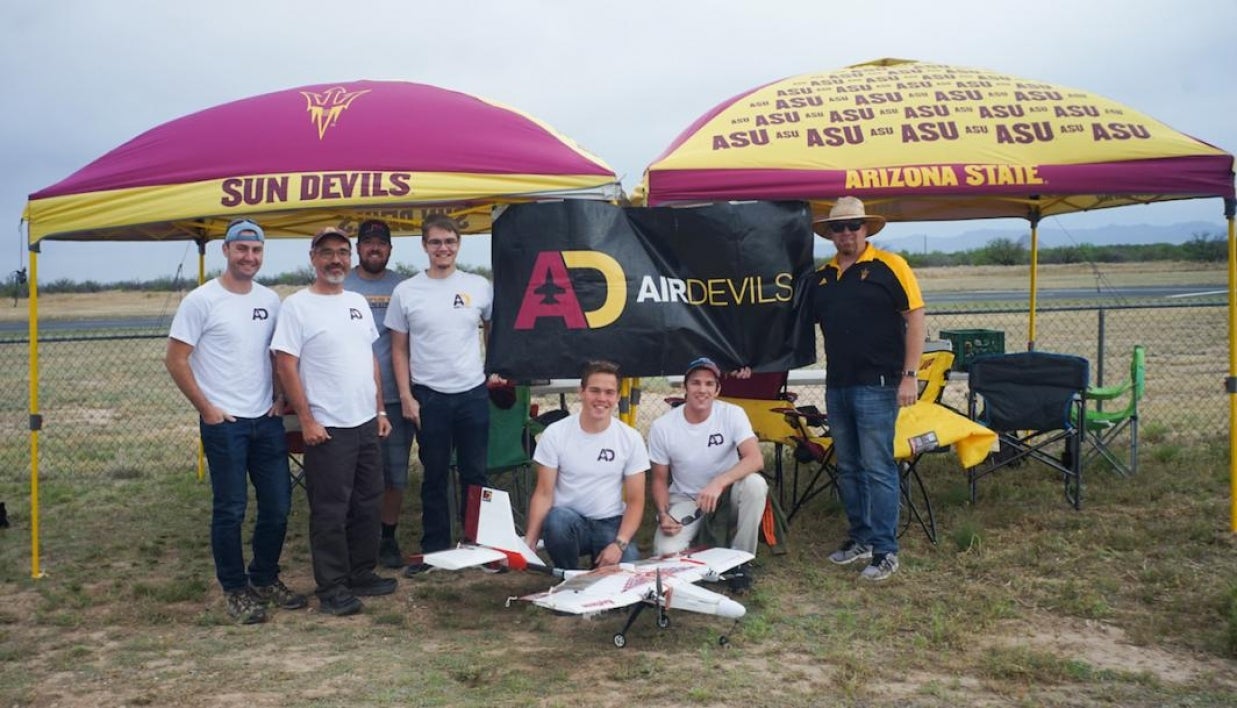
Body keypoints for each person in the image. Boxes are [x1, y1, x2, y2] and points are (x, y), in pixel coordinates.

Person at [165, 218, 307, 624]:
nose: (250, 257)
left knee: (278, 505)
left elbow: (276, 356)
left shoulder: (270, 300)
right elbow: (175, 360)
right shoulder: (201, 301)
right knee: (230, 508)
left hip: (265, 421)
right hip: (224, 423)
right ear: (226, 251)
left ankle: (264, 577)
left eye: (257, 250)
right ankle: (234, 588)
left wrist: (280, 398)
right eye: (242, 249)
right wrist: (207, 409)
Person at [271, 226, 396, 616]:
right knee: (330, 510)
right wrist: (306, 419)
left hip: (364, 422)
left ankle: (361, 572)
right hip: (327, 427)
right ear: (313, 259)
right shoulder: (297, 306)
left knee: (367, 502)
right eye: (327, 253)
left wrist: (379, 410)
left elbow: (369, 359)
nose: (335, 260)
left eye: (342, 252)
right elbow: (285, 363)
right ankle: (332, 587)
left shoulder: (356, 301)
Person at [810, 196, 925, 582]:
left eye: (853, 226)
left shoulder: (891, 266)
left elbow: (915, 318)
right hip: (838, 385)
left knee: (878, 468)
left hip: (878, 385)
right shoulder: (822, 276)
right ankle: (859, 538)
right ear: (830, 234)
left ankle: (885, 549)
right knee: (849, 467)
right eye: (838, 228)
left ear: (866, 229)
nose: (846, 233)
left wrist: (909, 375)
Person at [385, 214, 498, 574]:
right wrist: (406, 395)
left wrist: (491, 370)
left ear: (458, 244)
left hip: (471, 393)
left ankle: (478, 544)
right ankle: (434, 549)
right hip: (429, 396)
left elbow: (491, 331)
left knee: (476, 473)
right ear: (424, 246)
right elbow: (398, 349)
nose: (443, 248)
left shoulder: (479, 286)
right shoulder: (407, 291)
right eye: (435, 242)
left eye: (449, 241)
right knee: (433, 474)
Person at [648, 356, 766, 591]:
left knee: (755, 485)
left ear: (718, 389)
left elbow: (755, 458)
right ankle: (701, 547)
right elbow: (659, 479)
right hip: (688, 500)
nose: (702, 389)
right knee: (664, 554)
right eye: (696, 383)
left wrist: (719, 483)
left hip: (727, 496)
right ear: (685, 387)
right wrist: (663, 514)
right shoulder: (662, 427)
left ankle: (740, 561)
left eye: (709, 384)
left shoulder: (733, 414)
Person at [524, 360, 648, 570]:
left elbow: (636, 501)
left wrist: (619, 544)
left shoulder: (631, 438)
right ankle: (569, 575)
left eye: (609, 392)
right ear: (581, 392)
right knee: (557, 522)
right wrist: (530, 541)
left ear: (617, 397)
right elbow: (544, 493)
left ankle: (602, 568)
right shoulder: (556, 434)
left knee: (626, 571)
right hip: (569, 521)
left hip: (610, 522)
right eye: (594, 391)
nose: (601, 398)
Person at [343, 219, 414, 569]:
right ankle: (355, 537)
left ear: (389, 249)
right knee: (353, 475)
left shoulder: (404, 287)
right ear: (358, 248)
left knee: (394, 475)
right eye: (368, 242)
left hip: (395, 397)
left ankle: (388, 537)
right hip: (349, 399)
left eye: (381, 244)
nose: (375, 248)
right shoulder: (342, 283)